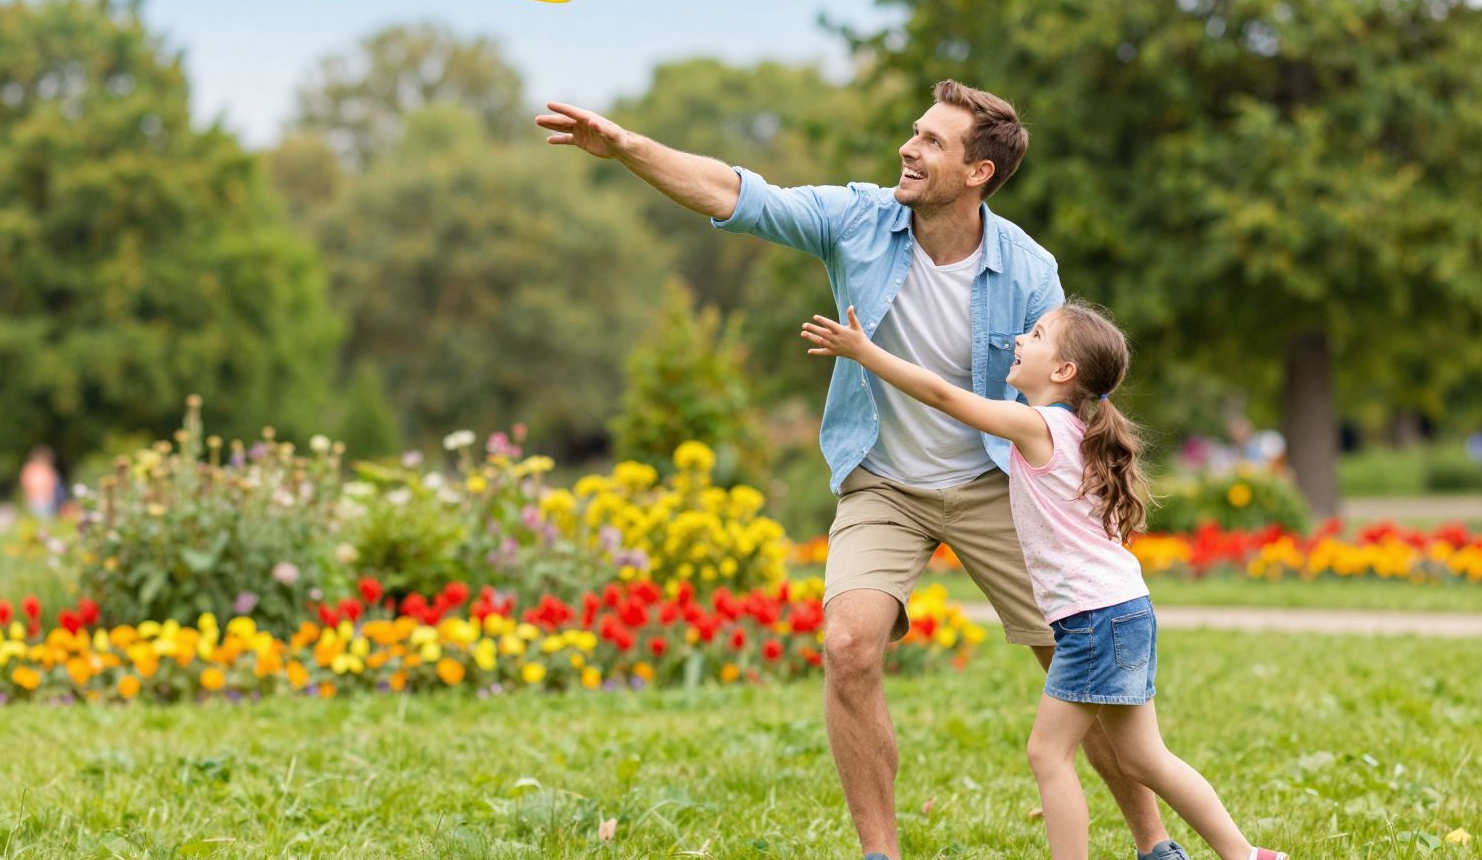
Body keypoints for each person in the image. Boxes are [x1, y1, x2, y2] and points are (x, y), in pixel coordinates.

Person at [538, 83, 1191, 860]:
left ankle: (1156, 846)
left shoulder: (1027, 270)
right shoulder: (859, 220)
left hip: (995, 484)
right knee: (850, 645)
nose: (909, 150)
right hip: (884, 480)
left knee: (1080, 663)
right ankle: (880, 855)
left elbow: (1071, 394)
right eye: (914, 133)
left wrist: (1095, 497)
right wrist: (629, 148)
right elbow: (741, 194)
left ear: (978, 172)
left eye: (932, 142)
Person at [801, 300, 1288, 860]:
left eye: (1034, 335)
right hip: (1127, 610)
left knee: (1047, 754)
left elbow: (943, 396)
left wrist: (864, 352)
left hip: (1093, 620)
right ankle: (1248, 856)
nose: (1017, 340)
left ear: (1063, 372)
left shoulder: (1039, 426)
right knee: (1146, 758)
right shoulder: (1081, 428)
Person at [19, 445, 62, 520]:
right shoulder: (45, 469)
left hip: (42, 500)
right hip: (40, 500)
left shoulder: (31, 469)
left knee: (40, 521)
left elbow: (24, 485)